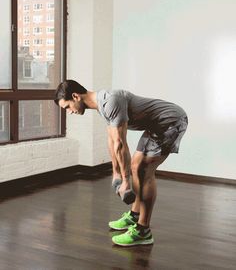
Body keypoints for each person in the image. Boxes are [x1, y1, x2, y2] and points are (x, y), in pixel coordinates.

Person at [54, 80, 188, 247]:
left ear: (75, 96)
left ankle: (143, 230)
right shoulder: (102, 105)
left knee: (144, 170)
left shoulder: (110, 101)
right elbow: (111, 140)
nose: (70, 112)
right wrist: (116, 173)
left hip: (170, 120)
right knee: (136, 166)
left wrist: (125, 182)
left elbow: (121, 144)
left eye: (67, 107)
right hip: (157, 123)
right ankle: (134, 214)